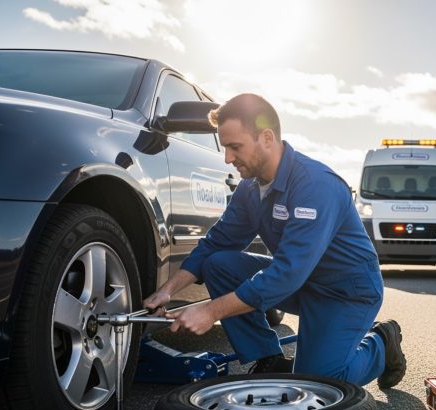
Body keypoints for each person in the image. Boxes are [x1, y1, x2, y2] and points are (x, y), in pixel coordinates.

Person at [143, 93, 406, 388]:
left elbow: (287, 273)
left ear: (266, 138)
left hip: (346, 292)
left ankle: (382, 342)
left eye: (235, 147)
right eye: (224, 147)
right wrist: (169, 289)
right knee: (219, 264)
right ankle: (268, 358)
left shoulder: (315, 185)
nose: (227, 158)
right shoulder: (249, 188)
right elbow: (217, 242)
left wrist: (209, 311)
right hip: (304, 284)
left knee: (321, 384)